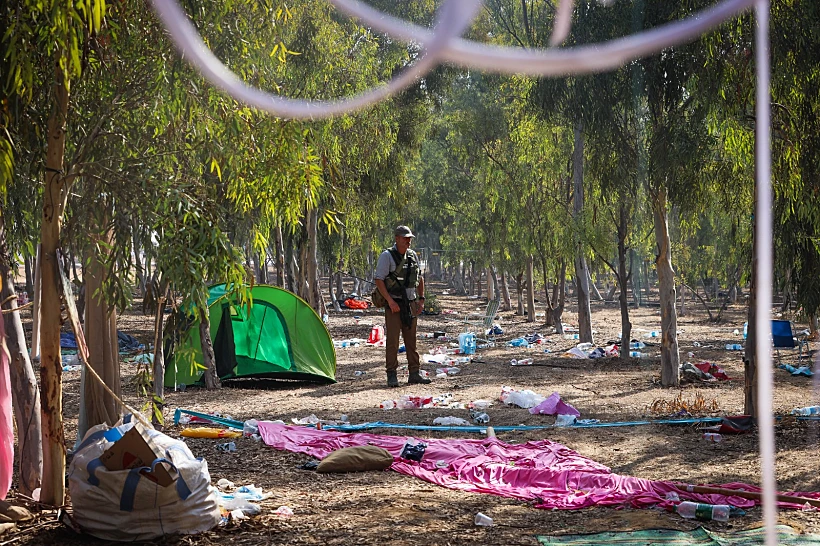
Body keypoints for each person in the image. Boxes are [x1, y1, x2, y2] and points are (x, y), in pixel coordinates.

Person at [374, 225, 429, 388]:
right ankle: (391, 374)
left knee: (411, 340)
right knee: (392, 341)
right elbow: (379, 279)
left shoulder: (412, 256)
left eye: (409, 238)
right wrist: (390, 301)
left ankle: (414, 373)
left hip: (411, 304)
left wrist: (421, 299)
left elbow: (419, 278)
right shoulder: (387, 256)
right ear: (397, 238)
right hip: (394, 305)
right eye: (405, 238)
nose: (408, 241)